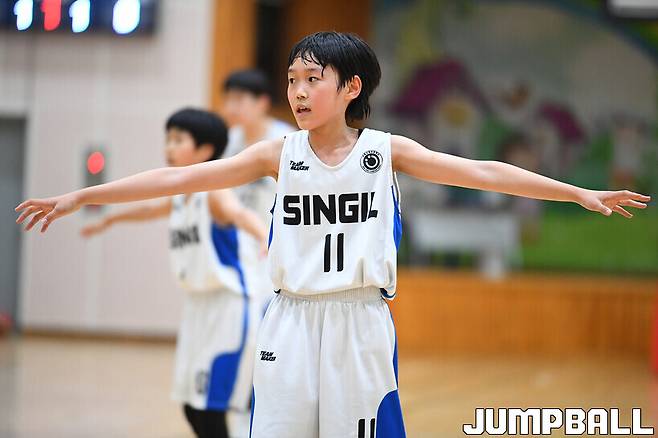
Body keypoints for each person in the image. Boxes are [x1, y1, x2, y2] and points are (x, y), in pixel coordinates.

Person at [16, 32, 651, 438]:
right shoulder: (277, 154)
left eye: (311, 79)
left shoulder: (385, 151)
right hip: (288, 320)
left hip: (359, 321)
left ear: (350, 88)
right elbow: (178, 178)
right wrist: (82, 196)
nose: (297, 91)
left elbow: (484, 171)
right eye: (292, 80)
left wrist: (578, 193)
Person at [79, 108, 268, 438]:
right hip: (198, 307)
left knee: (210, 409)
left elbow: (240, 214)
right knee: (191, 408)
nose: (169, 147)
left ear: (205, 150)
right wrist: (111, 219)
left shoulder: (214, 191)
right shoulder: (182, 196)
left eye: (178, 140)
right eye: (168, 139)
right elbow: (150, 208)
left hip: (228, 306)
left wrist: (264, 235)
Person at [221, 69, 295, 311]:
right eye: (228, 99)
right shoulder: (229, 140)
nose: (231, 107)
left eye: (239, 99)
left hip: (275, 244)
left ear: (262, 102)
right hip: (238, 244)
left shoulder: (286, 140)